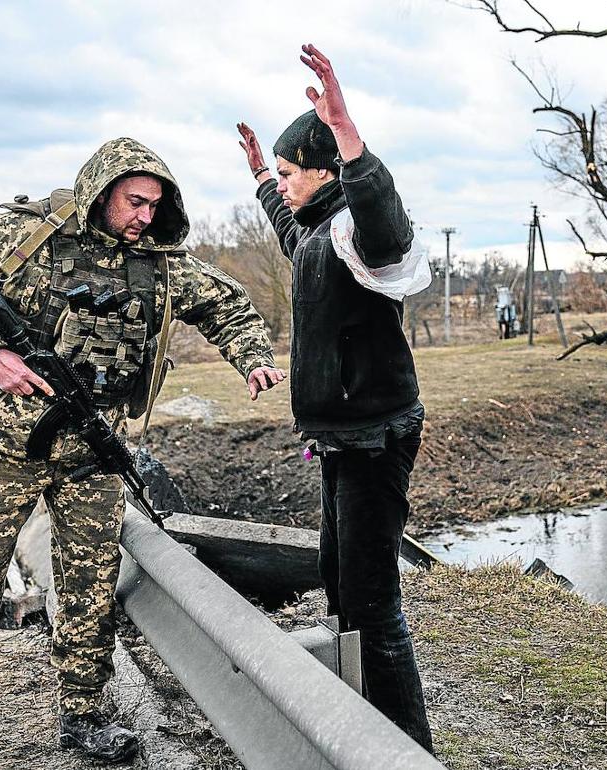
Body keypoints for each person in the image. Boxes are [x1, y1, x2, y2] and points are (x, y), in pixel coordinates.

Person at [0, 137, 285, 769]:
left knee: (90, 585)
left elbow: (227, 305)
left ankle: (84, 711)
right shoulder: (27, 238)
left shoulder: (160, 264)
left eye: (155, 205)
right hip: (3, 446)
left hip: (91, 450)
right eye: (135, 201)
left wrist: (253, 359)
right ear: (101, 191)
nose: (145, 216)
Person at [236, 44, 434, 751]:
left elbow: (388, 227)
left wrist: (350, 135)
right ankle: (362, 726)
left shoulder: (357, 226)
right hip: (340, 434)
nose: (286, 184)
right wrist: (262, 174)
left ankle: (408, 750)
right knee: (338, 578)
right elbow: (291, 230)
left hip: (374, 435)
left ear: (325, 170)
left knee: (373, 601)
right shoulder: (319, 231)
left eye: (292, 173)